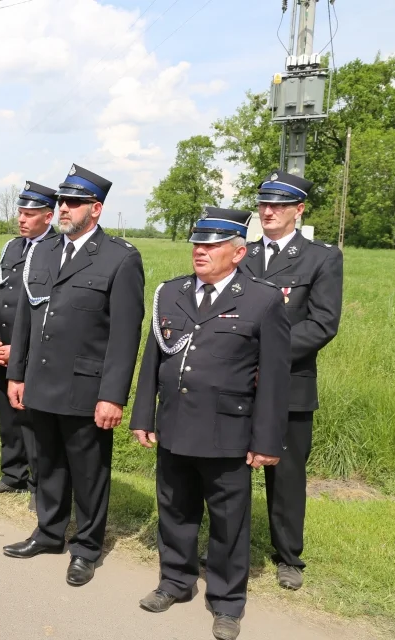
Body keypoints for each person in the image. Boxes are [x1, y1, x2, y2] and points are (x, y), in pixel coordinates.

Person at [129, 207, 291, 640]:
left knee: (228, 522)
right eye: (197, 243)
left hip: (228, 434)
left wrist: (267, 439)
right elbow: (153, 362)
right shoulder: (171, 292)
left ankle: (226, 601)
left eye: (212, 244)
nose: (200, 250)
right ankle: (175, 581)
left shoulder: (262, 299)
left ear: (238, 252)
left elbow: (275, 379)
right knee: (175, 511)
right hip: (175, 425)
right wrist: (143, 415)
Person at [3, 164, 145, 587]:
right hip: (40, 382)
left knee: (88, 472)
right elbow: (27, 319)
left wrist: (113, 395)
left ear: (96, 209)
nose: (64, 208)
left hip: (87, 388)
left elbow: (124, 336)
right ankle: (49, 533)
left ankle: (85, 547)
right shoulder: (43, 251)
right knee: (46, 464)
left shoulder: (120, 259)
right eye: (62, 201)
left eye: (74, 202)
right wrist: (17, 373)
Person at [239, 170, 343, 590]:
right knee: (232, 470)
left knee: (285, 476)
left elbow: (322, 324)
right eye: (264, 203)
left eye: (279, 205)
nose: (268, 211)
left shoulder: (320, 258)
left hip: (289, 386)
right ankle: (232, 547)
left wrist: (268, 356)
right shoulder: (240, 253)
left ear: (298, 210)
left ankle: (288, 557)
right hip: (238, 383)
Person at [0, 181, 58, 509]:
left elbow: (53, 310)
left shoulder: (58, 250)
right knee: (8, 416)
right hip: (3, 350)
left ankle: (40, 484)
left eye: (29, 214)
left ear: (48, 216)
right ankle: (13, 474)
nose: (21, 219)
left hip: (34, 353)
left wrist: (21, 349)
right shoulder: (12, 248)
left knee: (35, 421)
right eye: (20, 213)